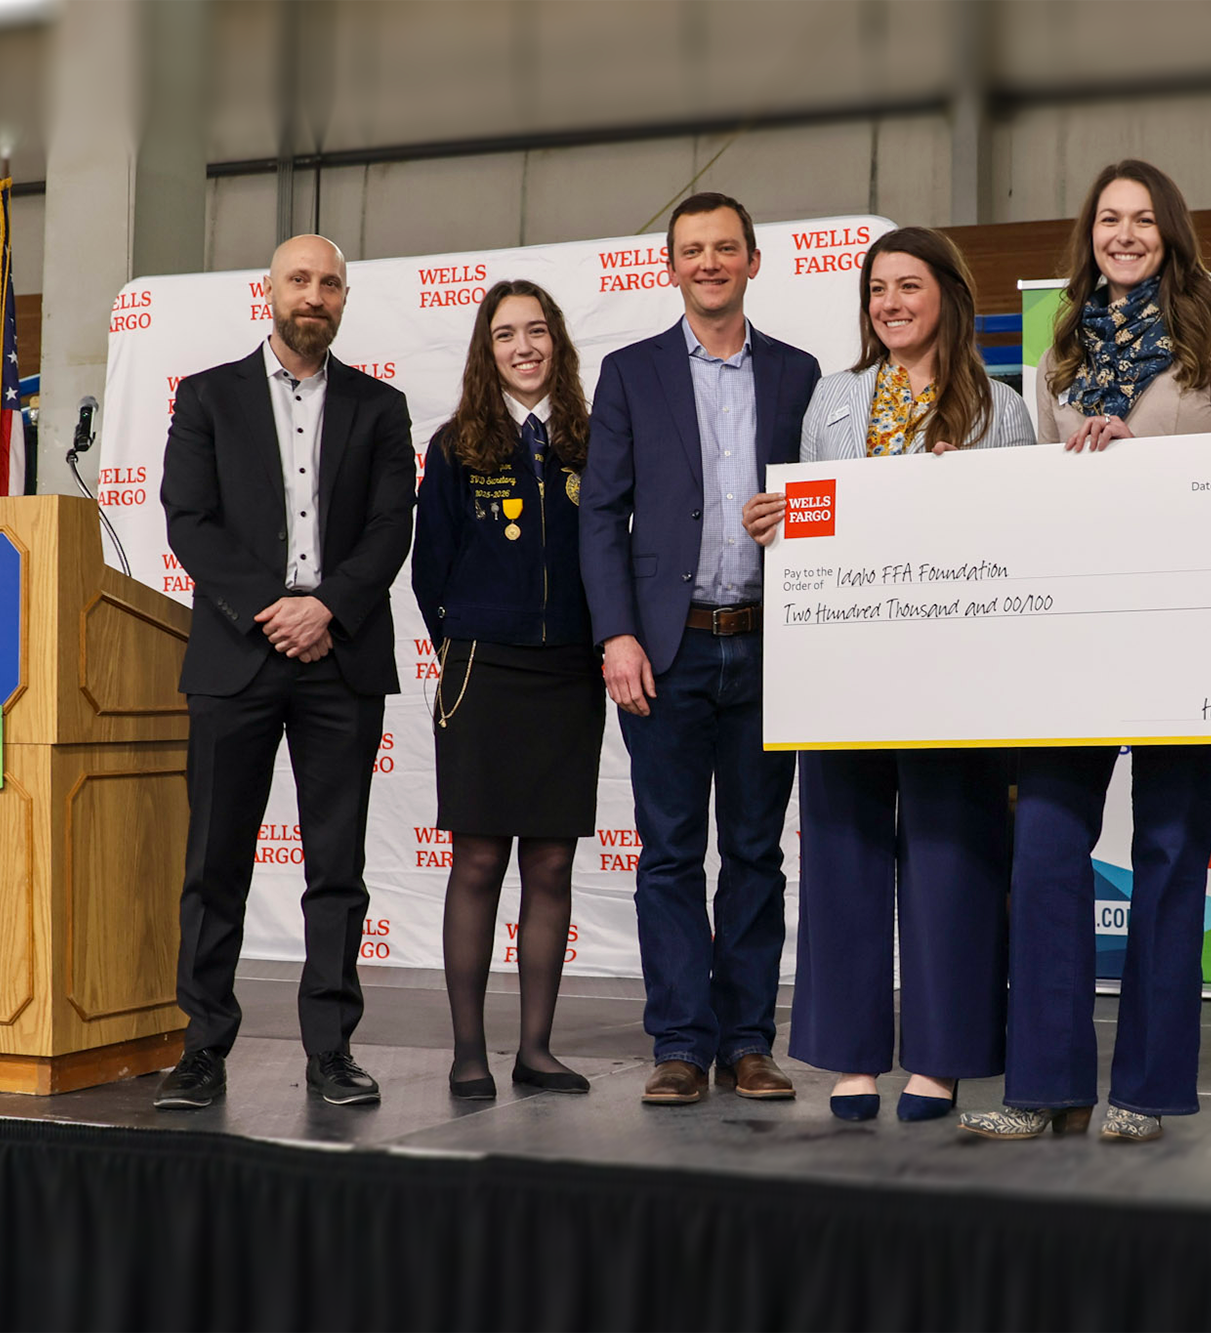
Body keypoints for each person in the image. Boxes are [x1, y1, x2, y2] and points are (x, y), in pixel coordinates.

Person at [959, 159, 1211, 1145]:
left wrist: (1146, 468)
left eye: (1141, 220)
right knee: (1046, 851)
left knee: (1170, 856)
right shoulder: (1053, 350)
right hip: (1077, 633)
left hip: (1185, 627)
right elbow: (1035, 488)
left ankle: (1142, 1088)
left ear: (1168, 231)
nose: (1124, 234)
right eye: (1108, 219)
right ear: (1087, 234)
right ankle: (1044, 1085)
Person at [739, 227, 1035, 1122]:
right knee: (843, 851)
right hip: (842, 666)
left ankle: (942, 1059)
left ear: (948, 292)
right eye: (877, 289)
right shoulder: (834, 397)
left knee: (952, 855)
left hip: (953, 669)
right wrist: (775, 520)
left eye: (908, 285)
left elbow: (1021, 540)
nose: (891, 303)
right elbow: (816, 523)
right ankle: (853, 1055)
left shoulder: (1003, 407)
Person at [154, 234, 415, 1109]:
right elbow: (188, 519)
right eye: (299, 279)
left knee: (335, 868)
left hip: (340, 656)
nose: (315, 295)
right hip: (237, 654)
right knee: (214, 862)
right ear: (268, 292)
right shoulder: (207, 397)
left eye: (330, 283)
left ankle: (331, 1049)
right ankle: (202, 1048)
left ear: (345, 299)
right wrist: (274, 609)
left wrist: (325, 609)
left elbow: (390, 530)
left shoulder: (382, 407)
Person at [578, 192, 822, 1106]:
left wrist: (796, 518)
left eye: (726, 248)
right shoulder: (630, 374)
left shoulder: (802, 376)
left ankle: (750, 1043)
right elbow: (600, 515)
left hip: (770, 652)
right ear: (670, 266)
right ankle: (680, 1043)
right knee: (671, 856)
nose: (709, 262)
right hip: (666, 655)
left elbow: (832, 505)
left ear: (754, 262)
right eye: (692, 250)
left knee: (757, 854)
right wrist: (616, 635)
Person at [412, 280, 603, 1100]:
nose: (523, 346)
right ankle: (467, 1050)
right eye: (504, 335)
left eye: (536, 331)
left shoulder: (597, 441)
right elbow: (428, 572)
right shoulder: (456, 444)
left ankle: (536, 1049)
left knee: (553, 863)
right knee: (480, 858)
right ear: (485, 353)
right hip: (483, 671)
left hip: (569, 671)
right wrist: (463, 646)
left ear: (557, 342)